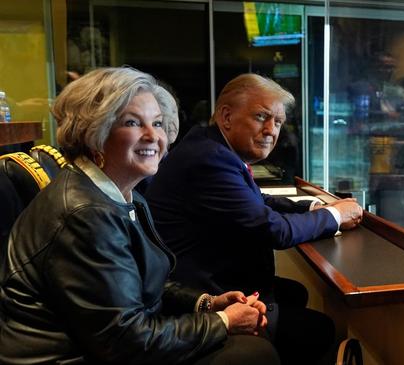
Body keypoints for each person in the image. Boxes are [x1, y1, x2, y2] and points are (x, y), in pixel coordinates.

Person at [0, 67, 279, 365]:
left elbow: (143, 282)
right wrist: (224, 321)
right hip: (73, 357)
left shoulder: (124, 193)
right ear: (94, 131)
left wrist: (206, 304)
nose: (153, 136)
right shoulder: (86, 214)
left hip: (104, 344)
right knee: (252, 354)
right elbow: (126, 341)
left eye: (157, 123)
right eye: (133, 122)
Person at [145, 73, 364, 364]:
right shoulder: (209, 160)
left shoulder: (210, 146)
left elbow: (256, 201)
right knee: (319, 329)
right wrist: (334, 214)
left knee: (294, 293)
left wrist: (311, 207)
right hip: (202, 293)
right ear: (226, 116)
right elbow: (273, 231)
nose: (271, 131)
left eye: (278, 122)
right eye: (262, 117)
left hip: (208, 276)